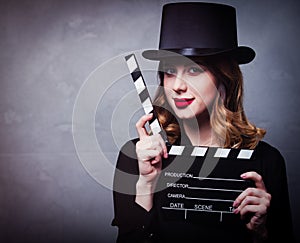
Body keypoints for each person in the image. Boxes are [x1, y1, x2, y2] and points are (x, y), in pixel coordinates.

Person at [111, 2, 294, 242]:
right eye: (169, 71)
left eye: (194, 70)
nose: (177, 85)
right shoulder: (137, 156)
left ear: (225, 79)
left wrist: (261, 232)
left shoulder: (266, 161)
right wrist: (145, 185)